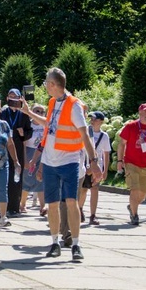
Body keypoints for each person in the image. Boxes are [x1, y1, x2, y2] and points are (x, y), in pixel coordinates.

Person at [20, 68, 101, 260]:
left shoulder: (74, 106)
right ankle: (54, 242)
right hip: (50, 162)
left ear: (54, 85)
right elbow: (49, 126)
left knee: (71, 202)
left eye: (46, 82)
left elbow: (84, 135)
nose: (45, 85)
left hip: (69, 161)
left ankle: (75, 244)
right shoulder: (52, 102)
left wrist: (94, 161)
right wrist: (29, 112)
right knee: (53, 204)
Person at [117, 103, 146, 226]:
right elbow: (121, 144)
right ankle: (134, 216)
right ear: (140, 113)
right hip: (131, 163)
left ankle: (132, 206)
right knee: (134, 189)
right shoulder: (130, 127)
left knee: (144, 192)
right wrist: (120, 161)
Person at [0, 89, 32, 215]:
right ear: (7, 98)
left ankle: (14, 206)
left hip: (18, 147)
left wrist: (24, 134)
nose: (13, 99)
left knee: (16, 177)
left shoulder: (23, 114)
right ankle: (2, 207)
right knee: (3, 176)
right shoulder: (2, 113)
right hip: (3, 148)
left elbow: (30, 131)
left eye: (15, 97)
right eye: (11, 96)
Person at [79, 111, 111, 225]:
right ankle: (80, 209)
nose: (92, 121)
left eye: (95, 119)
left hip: (97, 167)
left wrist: (105, 170)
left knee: (95, 190)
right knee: (83, 190)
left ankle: (93, 215)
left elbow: (106, 154)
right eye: (91, 119)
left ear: (101, 122)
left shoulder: (104, 136)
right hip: (85, 165)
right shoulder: (85, 132)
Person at [23, 104, 46, 214]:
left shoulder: (45, 125)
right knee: (26, 179)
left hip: (43, 153)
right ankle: (22, 204)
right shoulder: (28, 125)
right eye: (37, 111)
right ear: (32, 111)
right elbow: (23, 142)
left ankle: (43, 207)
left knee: (41, 180)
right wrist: (25, 159)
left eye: (42, 112)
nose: (39, 113)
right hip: (29, 152)